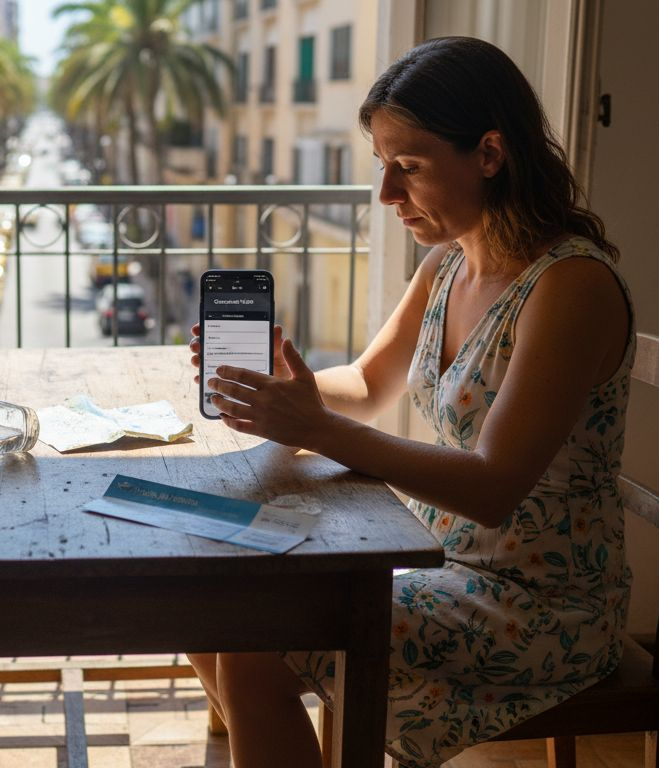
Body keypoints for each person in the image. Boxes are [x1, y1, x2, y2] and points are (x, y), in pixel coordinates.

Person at [187, 36, 634, 768]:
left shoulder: (570, 288)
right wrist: (277, 395)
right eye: (384, 167)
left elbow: (494, 487)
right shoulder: (448, 263)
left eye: (410, 167)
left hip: (541, 605)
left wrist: (315, 428)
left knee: (252, 644)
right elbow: (366, 385)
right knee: (211, 603)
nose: (388, 195)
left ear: (489, 154)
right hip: (435, 557)